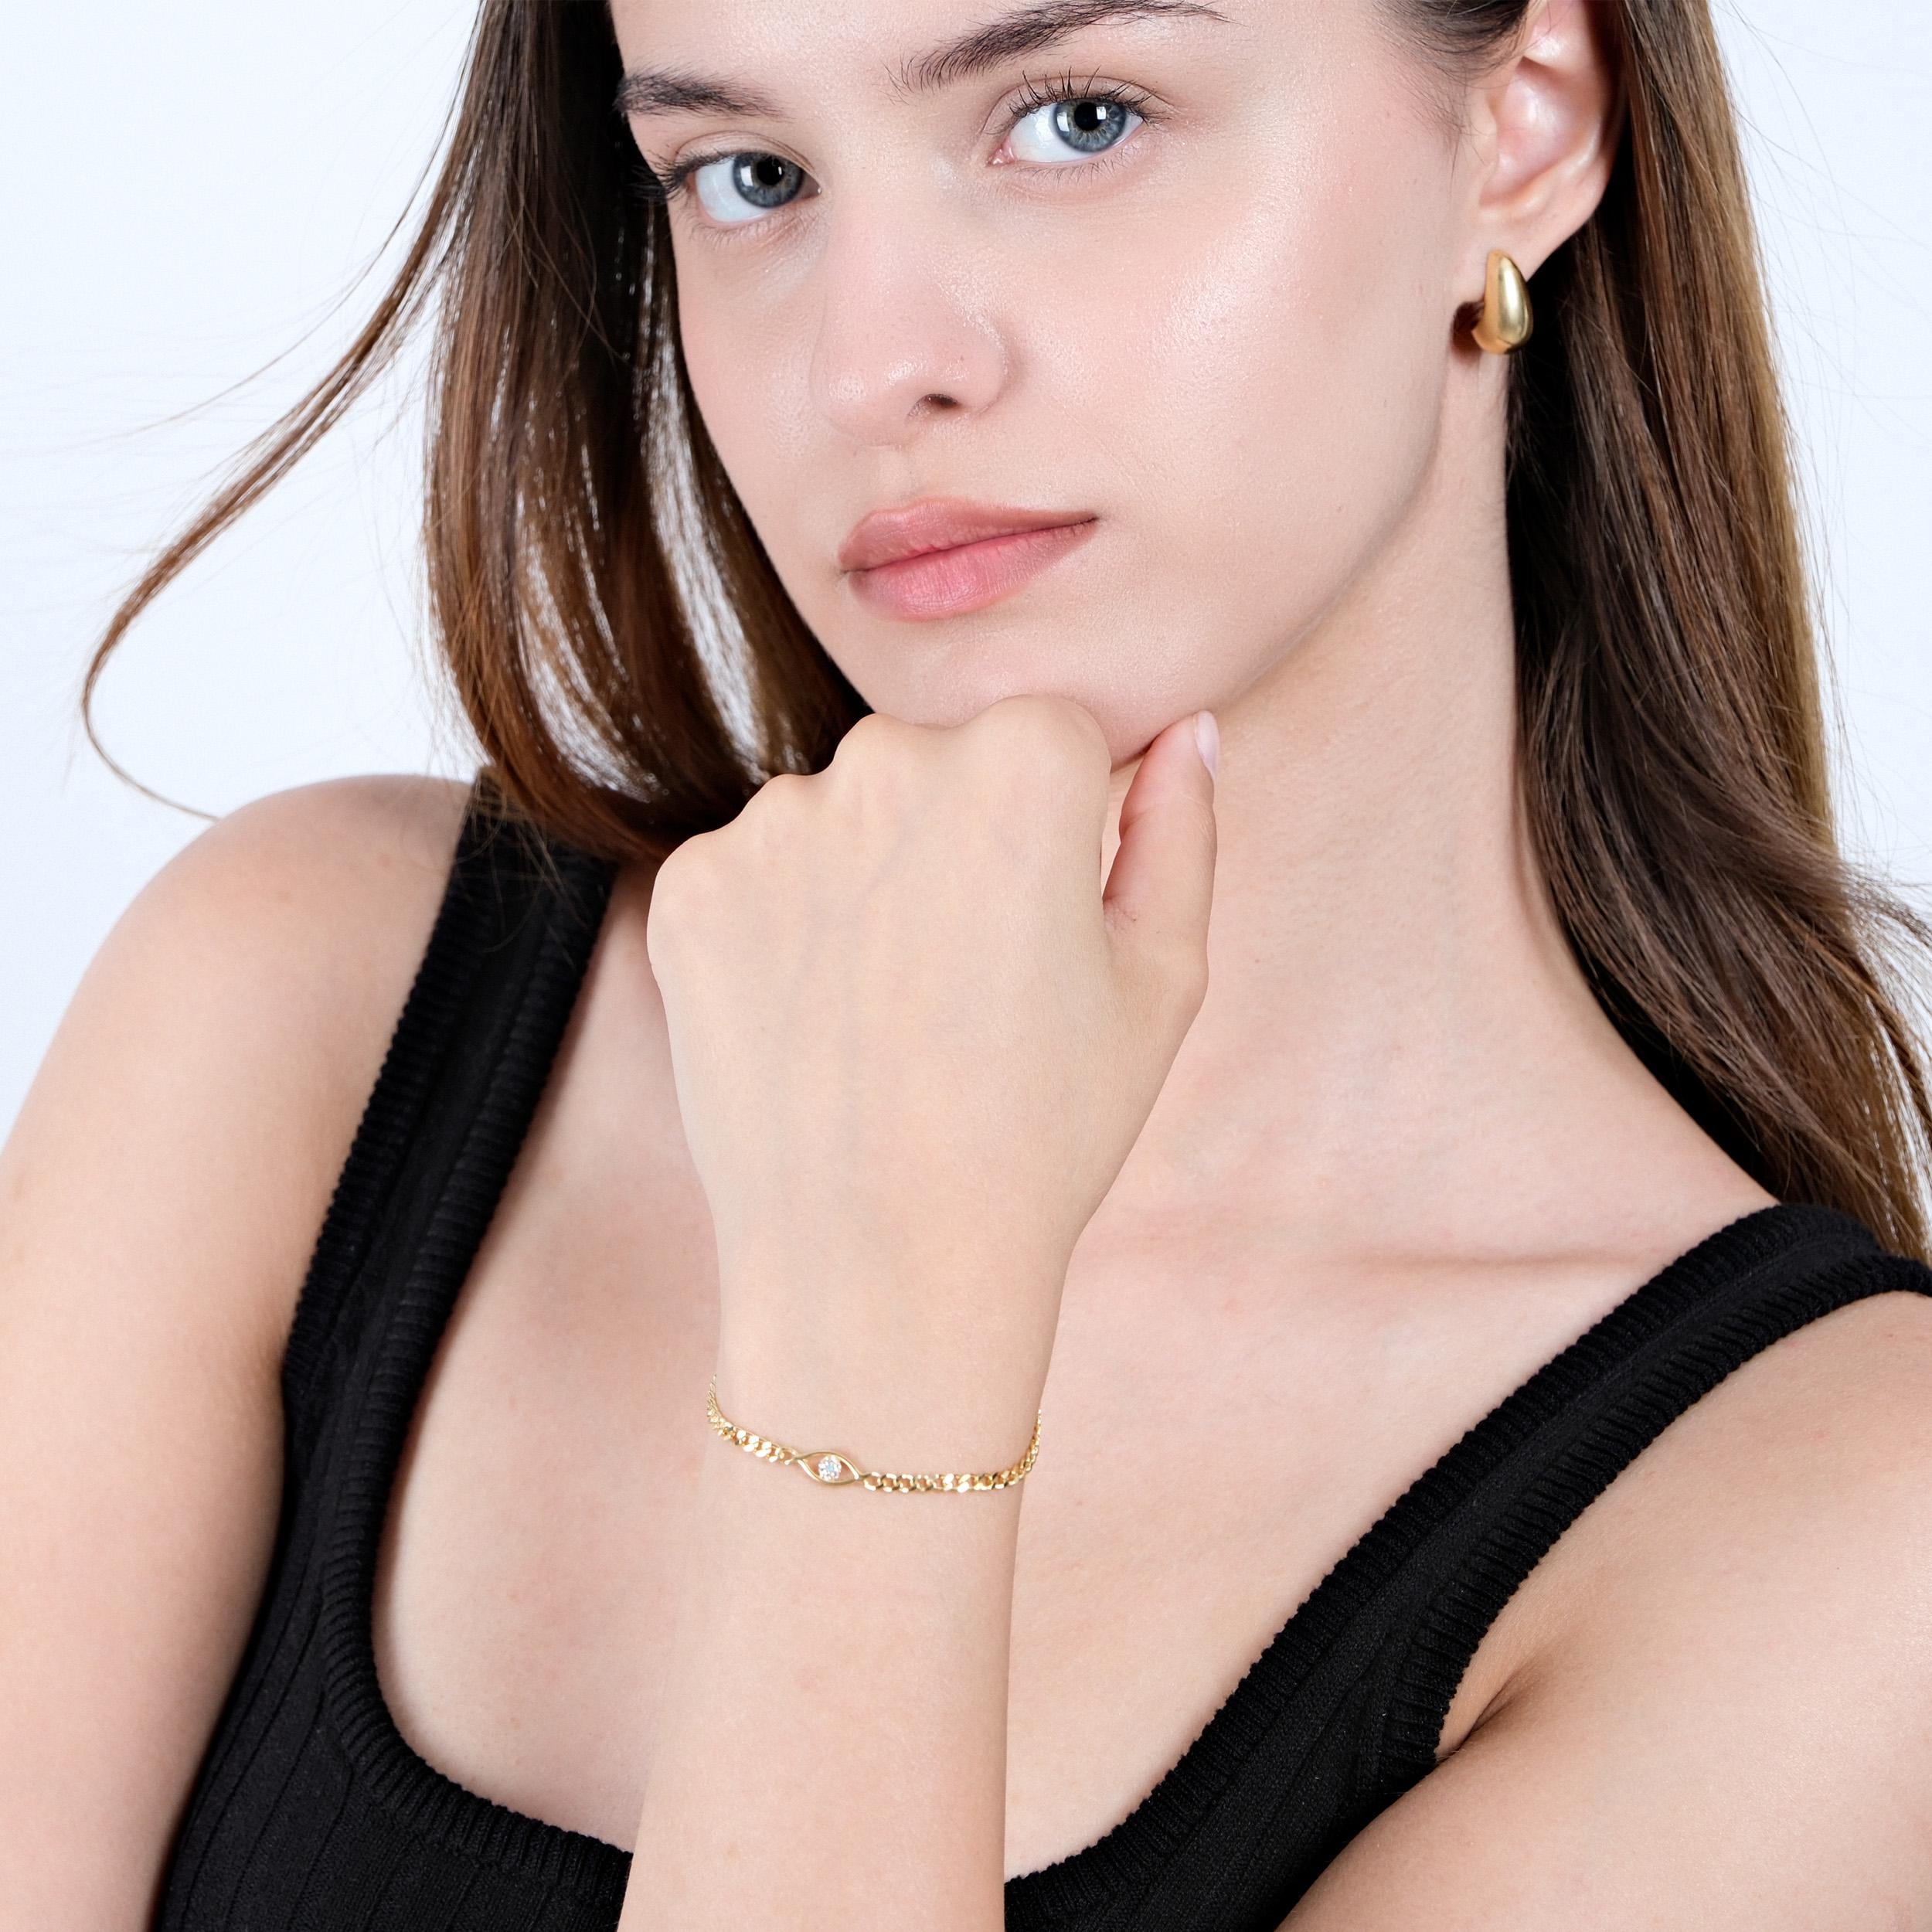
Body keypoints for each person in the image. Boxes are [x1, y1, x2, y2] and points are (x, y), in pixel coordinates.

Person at [5, 0, 1932, 1926]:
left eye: (1077, 119)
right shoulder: (304, 1017)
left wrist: (877, 1368)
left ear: (1519, 128)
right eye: (747, 175)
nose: (873, 364)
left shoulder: (1836, 1540)